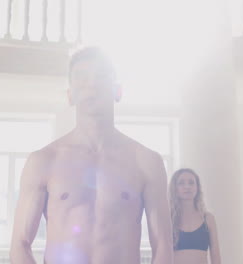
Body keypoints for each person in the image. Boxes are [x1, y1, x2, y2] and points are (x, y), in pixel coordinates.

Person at [10, 47, 173, 264]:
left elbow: (163, 247)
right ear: (70, 96)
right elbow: (20, 244)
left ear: (118, 91)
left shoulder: (146, 162)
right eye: (82, 78)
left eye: (101, 76)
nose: (91, 85)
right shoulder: (43, 161)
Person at [169, 168, 221, 264]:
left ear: (197, 188)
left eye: (191, 183)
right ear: (174, 188)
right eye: (181, 183)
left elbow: (215, 255)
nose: (187, 186)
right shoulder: (168, 219)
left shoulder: (208, 219)